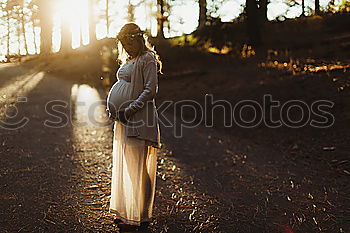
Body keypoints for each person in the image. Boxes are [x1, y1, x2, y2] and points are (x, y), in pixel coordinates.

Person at [106, 22, 163, 230]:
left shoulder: (147, 59)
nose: (128, 48)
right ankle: (128, 210)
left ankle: (142, 214)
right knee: (130, 165)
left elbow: (150, 90)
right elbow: (121, 87)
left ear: (139, 39)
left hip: (138, 119)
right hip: (123, 120)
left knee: (140, 167)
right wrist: (112, 109)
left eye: (130, 43)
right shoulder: (129, 60)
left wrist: (129, 109)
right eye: (124, 45)